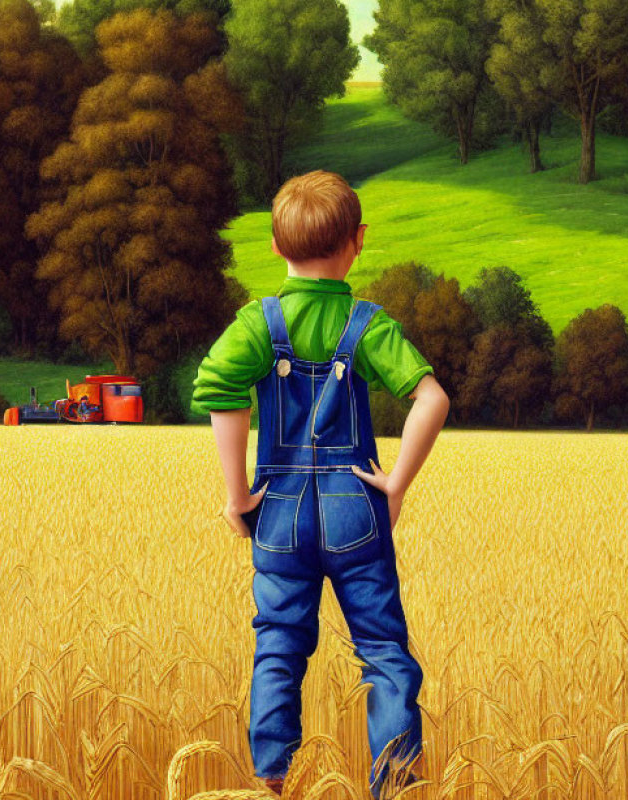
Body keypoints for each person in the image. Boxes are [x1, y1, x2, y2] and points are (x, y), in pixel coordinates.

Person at [191, 170, 450, 798]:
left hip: (278, 508)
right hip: (355, 507)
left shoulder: (259, 323)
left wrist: (236, 495)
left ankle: (270, 782)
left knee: (278, 647)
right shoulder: (367, 325)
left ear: (276, 248)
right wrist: (395, 485)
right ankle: (394, 785)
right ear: (358, 241)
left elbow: (219, 393)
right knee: (384, 652)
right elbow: (431, 398)